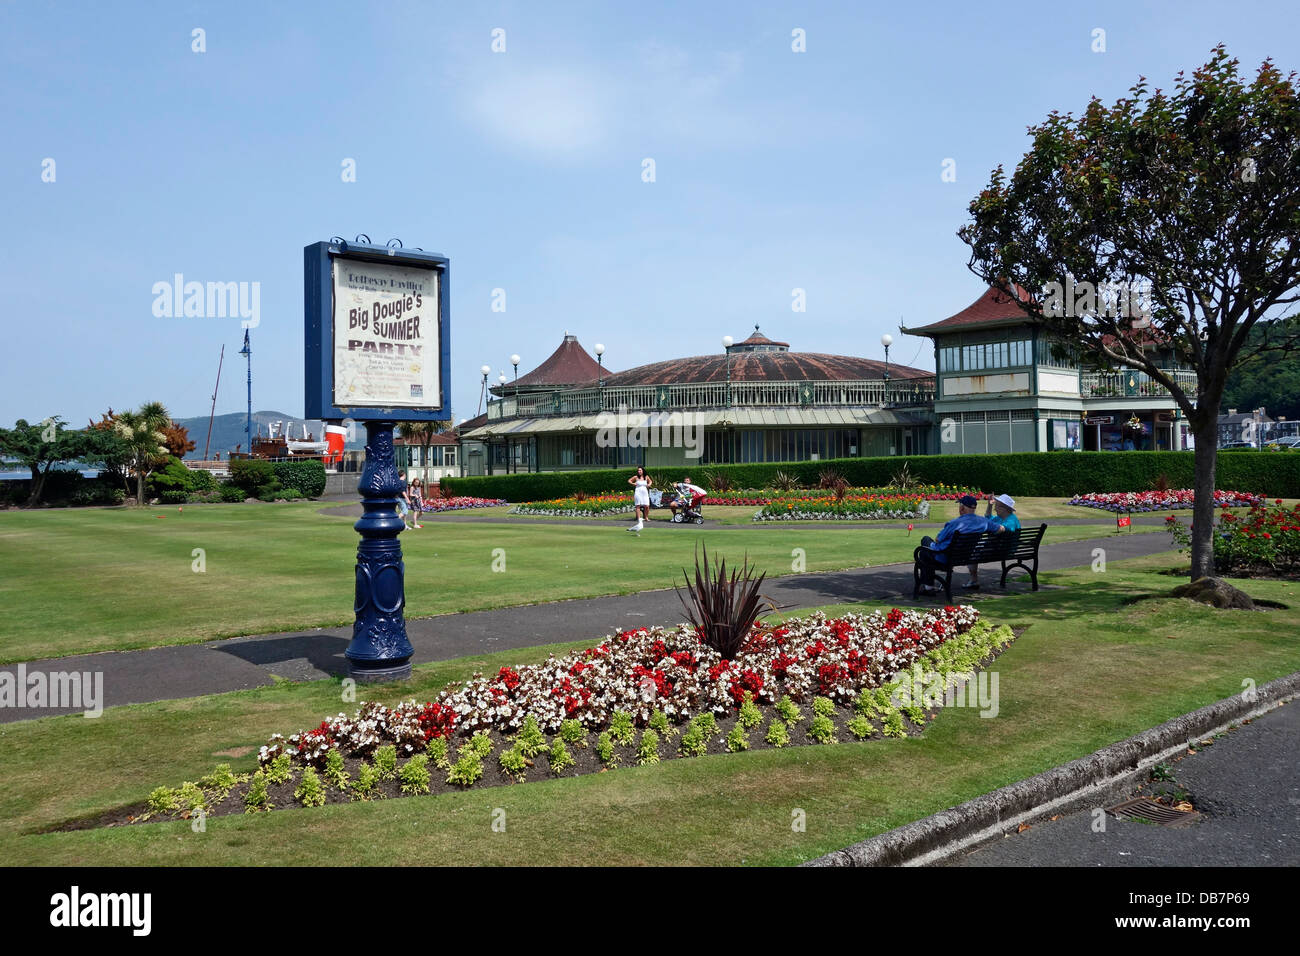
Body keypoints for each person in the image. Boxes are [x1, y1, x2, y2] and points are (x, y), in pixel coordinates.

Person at [916, 494, 991, 595]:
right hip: (965, 557)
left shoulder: (955, 523)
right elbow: (1001, 528)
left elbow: (938, 539)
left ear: (962, 508)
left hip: (945, 558)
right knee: (925, 552)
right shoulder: (983, 522)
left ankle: (928, 586)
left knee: (924, 545)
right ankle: (928, 586)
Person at [966, 493, 1020, 589]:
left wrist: (987, 527)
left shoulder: (1011, 520)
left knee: (972, 550)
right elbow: (988, 518)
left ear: (1005, 508)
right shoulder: (1001, 518)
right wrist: (989, 505)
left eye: (997, 506)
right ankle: (973, 580)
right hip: (999, 549)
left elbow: (1004, 529)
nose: (995, 509)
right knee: (973, 548)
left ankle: (974, 580)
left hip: (1002, 551)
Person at [626, 466, 652, 532]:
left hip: (645, 492)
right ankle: (639, 518)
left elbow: (650, 481)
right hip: (638, 492)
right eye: (638, 470)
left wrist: (649, 484)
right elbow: (629, 480)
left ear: (643, 471)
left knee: (647, 505)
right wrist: (633, 483)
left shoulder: (646, 477)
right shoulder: (636, 477)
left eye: (640, 470)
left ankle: (646, 517)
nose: (639, 471)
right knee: (638, 505)